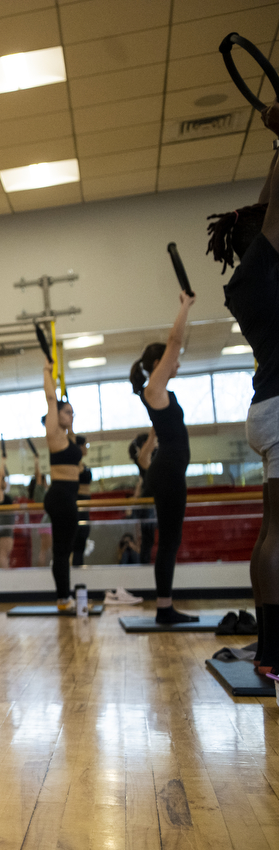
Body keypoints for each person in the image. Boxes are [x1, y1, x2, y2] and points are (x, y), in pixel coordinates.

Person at [221, 101, 279, 672]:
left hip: (268, 407)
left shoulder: (245, 280)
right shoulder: (264, 268)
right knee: (277, 533)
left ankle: (270, 647)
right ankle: (274, 650)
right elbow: (274, 214)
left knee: (272, 531)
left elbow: (267, 209)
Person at [132, 291, 198, 625]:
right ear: (158, 365)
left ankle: (164, 607)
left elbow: (173, 349)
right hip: (168, 472)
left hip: (169, 471)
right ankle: (164, 608)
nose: (178, 361)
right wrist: (184, 307)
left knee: (170, 541)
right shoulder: (153, 390)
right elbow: (174, 341)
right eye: (171, 359)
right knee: (169, 542)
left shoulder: (162, 392)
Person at [41, 370, 82, 611]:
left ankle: (64, 597)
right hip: (60, 496)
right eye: (68, 411)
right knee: (61, 551)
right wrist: (48, 370)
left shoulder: (68, 437)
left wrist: (72, 424)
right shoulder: (54, 434)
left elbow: (77, 449)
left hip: (66, 497)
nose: (71, 414)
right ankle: (63, 598)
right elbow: (50, 398)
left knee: (64, 550)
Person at [129, 429, 156, 564]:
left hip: (150, 500)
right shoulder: (144, 458)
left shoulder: (147, 457)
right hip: (148, 501)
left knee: (148, 539)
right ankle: (144, 565)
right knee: (147, 539)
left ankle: (145, 564)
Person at [71, 436, 93, 566]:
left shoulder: (82, 465)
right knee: (78, 540)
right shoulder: (74, 465)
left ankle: (79, 565)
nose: (86, 448)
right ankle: (76, 567)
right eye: (85, 445)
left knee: (83, 539)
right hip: (79, 503)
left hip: (85, 505)